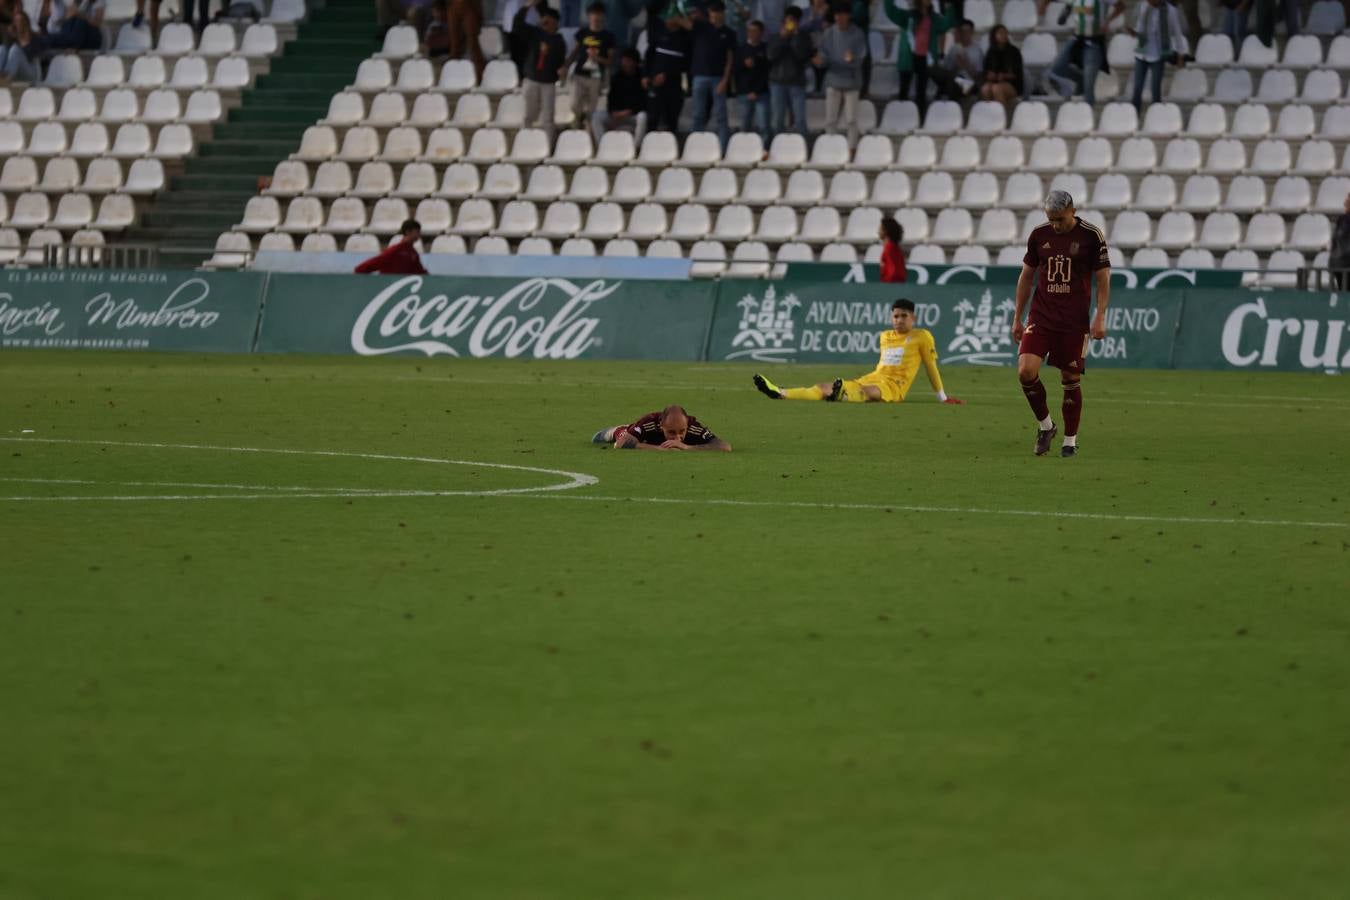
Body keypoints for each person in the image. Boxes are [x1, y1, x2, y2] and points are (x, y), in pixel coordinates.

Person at [1011, 190, 1110, 458]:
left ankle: (1070, 440)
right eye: (1051, 220)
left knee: (1070, 378)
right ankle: (1046, 426)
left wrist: (1100, 315)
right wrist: (1017, 317)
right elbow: (1026, 277)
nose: (1055, 225)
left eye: (1060, 219)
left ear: (1073, 211)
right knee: (1025, 371)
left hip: (1074, 321)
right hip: (1041, 316)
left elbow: (1103, 278)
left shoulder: (1092, 235)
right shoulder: (1039, 235)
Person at [754, 299, 963, 404]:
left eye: (904, 316)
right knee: (822, 387)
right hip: (872, 377)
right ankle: (781, 392)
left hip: (894, 386)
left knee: (869, 393)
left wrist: (942, 397)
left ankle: (841, 393)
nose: (899, 320)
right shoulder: (885, 336)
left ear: (913, 318)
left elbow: (930, 366)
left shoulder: (922, 337)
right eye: (896, 316)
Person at [1042, 0, 1124, 106]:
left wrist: (1107, 20)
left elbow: (1121, 6)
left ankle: (1088, 112)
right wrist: (1065, 13)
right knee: (1057, 68)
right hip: (1077, 39)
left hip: (1094, 42)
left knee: (1088, 89)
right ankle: (1080, 79)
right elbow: (1062, 18)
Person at [883, 0, 954, 117]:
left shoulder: (934, 18)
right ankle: (901, 118)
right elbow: (891, 12)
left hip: (925, 58)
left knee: (921, 92)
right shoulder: (908, 16)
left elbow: (947, 24)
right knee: (904, 90)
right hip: (909, 57)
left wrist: (950, 7)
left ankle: (919, 118)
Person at [812, 1, 865, 147]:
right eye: (836, 15)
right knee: (830, 119)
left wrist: (853, 58)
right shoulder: (829, 33)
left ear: (848, 16)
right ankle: (830, 147)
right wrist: (820, 60)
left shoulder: (858, 34)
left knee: (851, 119)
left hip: (851, 81)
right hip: (833, 80)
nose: (838, 18)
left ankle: (852, 149)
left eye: (841, 14)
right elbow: (823, 54)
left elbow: (861, 58)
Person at [514, 1, 568, 139]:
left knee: (548, 119)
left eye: (548, 19)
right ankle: (524, 143)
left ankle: (548, 148)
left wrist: (561, 71)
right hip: (531, 79)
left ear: (555, 22)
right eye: (543, 18)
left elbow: (560, 63)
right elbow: (517, 25)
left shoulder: (558, 41)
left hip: (548, 83)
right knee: (527, 116)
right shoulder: (534, 34)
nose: (545, 21)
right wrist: (527, 7)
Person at [689, 0, 737, 151]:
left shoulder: (729, 33)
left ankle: (723, 149)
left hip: (718, 78)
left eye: (717, 13)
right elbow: (683, 21)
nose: (714, 17)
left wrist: (725, 80)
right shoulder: (700, 27)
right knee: (698, 114)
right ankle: (696, 148)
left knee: (721, 116)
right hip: (699, 76)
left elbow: (730, 59)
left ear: (722, 13)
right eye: (711, 13)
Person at [1127, 0, 1187, 112]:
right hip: (1141, 53)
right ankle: (1134, 115)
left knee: (1155, 88)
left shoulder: (1170, 10)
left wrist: (1181, 55)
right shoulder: (1142, 6)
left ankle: (1156, 114)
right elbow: (1137, 26)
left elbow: (1177, 32)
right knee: (1137, 88)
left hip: (1158, 54)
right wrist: (1133, 32)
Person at [643, 0, 693, 134]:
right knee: (652, 118)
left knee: (671, 119)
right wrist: (646, 75)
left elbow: (686, 64)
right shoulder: (658, 34)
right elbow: (649, 56)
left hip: (674, 85)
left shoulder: (685, 39)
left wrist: (667, 74)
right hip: (655, 84)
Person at [592, 405, 733, 451]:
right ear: (661, 426)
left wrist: (687, 447)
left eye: (682, 431)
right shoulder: (649, 423)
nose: (677, 437)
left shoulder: (693, 427)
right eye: (671, 432)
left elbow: (725, 446)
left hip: (648, 440)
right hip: (626, 433)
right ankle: (615, 429)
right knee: (617, 434)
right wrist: (659, 449)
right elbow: (620, 444)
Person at [567, 2, 617, 128]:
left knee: (592, 108)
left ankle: (588, 129)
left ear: (603, 16)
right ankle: (578, 119)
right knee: (574, 103)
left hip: (595, 76)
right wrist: (566, 65)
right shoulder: (583, 33)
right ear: (589, 16)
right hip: (579, 74)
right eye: (593, 14)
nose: (596, 17)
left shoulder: (608, 36)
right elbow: (575, 51)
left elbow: (610, 61)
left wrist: (597, 58)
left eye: (599, 14)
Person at [767, 4, 811, 139]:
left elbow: (802, 55)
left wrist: (796, 37)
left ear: (798, 22)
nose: (790, 23)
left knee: (800, 120)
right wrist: (782, 38)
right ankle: (776, 148)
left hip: (796, 82)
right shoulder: (776, 36)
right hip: (777, 83)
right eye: (788, 20)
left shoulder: (804, 37)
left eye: (793, 20)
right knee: (777, 121)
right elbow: (770, 56)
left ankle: (804, 149)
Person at [591, 46, 648, 143]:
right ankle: (602, 144)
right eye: (624, 60)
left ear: (634, 62)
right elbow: (611, 97)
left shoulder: (642, 78)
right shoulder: (617, 78)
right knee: (597, 116)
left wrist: (629, 111)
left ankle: (636, 146)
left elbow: (644, 101)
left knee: (643, 117)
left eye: (628, 61)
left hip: (632, 115)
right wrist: (613, 112)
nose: (625, 63)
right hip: (617, 115)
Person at [735, 18, 771, 143]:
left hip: (762, 93)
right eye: (749, 31)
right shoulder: (741, 49)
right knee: (744, 125)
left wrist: (756, 91)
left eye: (755, 31)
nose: (751, 33)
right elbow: (735, 70)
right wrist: (744, 64)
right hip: (744, 93)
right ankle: (743, 150)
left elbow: (767, 72)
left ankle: (764, 151)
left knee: (764, 126)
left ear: (761, 32)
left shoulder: (766, 49)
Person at [930, 16, 982, 102]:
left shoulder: (977, 50)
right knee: (934, 70)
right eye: (962, 31)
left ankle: (942, 96)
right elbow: (947, 71)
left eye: (967, 31)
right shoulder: (954, 48)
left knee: (950, 82)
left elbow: (978, 76)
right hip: (955, 79)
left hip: (969, 84)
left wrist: (966, 65)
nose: (965, 34)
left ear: (972, 32)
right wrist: (957, 66)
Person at [354, 220, 428, 275]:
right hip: (388, 283)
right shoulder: (396, 249)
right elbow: (378, 261)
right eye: (417, 232)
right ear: (408, 232)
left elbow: (419, 271)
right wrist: (360, 269)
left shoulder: (413, 253)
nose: (419, 235)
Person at [979, 23, 1022, 105]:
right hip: (994, 82)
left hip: (1012, 84)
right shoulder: (990, 52)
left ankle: (1001, 116)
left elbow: (1017, 73)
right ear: (994, 36)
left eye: (1005, 33)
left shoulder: (1014, 51)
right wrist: (989, 75)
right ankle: (990, 113)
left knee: (997, 88)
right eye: (1001, 33)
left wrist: (1004, 76)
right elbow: (985, 71)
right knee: (985, 88)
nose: (1004, 35)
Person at [0, 8, 44, 83]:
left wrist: (21, 38)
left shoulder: (34, 37)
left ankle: (5, 79)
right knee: (2, 48)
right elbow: (7, 55)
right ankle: (3, 77)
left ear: (26, 23)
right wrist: (8, 36)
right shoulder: (13, 38)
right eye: (16, 21)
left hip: (33, 74)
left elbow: (31, 56)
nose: (18, 24)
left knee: (15, 49)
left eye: (20, 21)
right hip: (16, 73)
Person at [40, 0, 105, 50]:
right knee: (70, 23)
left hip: (92, 38)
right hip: (75, 37)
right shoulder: (77, 2)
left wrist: (79, 14)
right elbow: (68, 20)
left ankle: (65, 43)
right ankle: (49, 41)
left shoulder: (98, 1)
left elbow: (97, 23)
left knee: (80, 21)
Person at [1330, 192, 1350, 289]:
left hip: (1339, 262)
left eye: (1347, 200)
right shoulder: (1344, 219)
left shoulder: (1344, 219)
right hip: (1343, 262)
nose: (1344, 203)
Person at [878, 216, 907, 283]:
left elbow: (893, 271)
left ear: (885, 231)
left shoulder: (889, 248)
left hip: (891, 287)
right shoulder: (894, 247)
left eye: (880, 229)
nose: (878, 231)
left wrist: (887, 285)